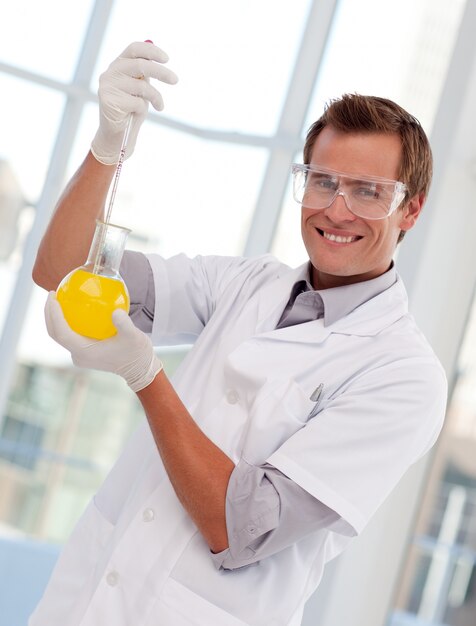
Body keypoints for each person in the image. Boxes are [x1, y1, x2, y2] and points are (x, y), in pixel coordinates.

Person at [30, 41, 447, 626]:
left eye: (368, 192)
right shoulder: (246, 283)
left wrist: (145, 375)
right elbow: (60, 271)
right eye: (322, 181)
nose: (337, 209)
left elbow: (239, 525)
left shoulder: (404, 377)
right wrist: (107, 148)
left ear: (411, 210)